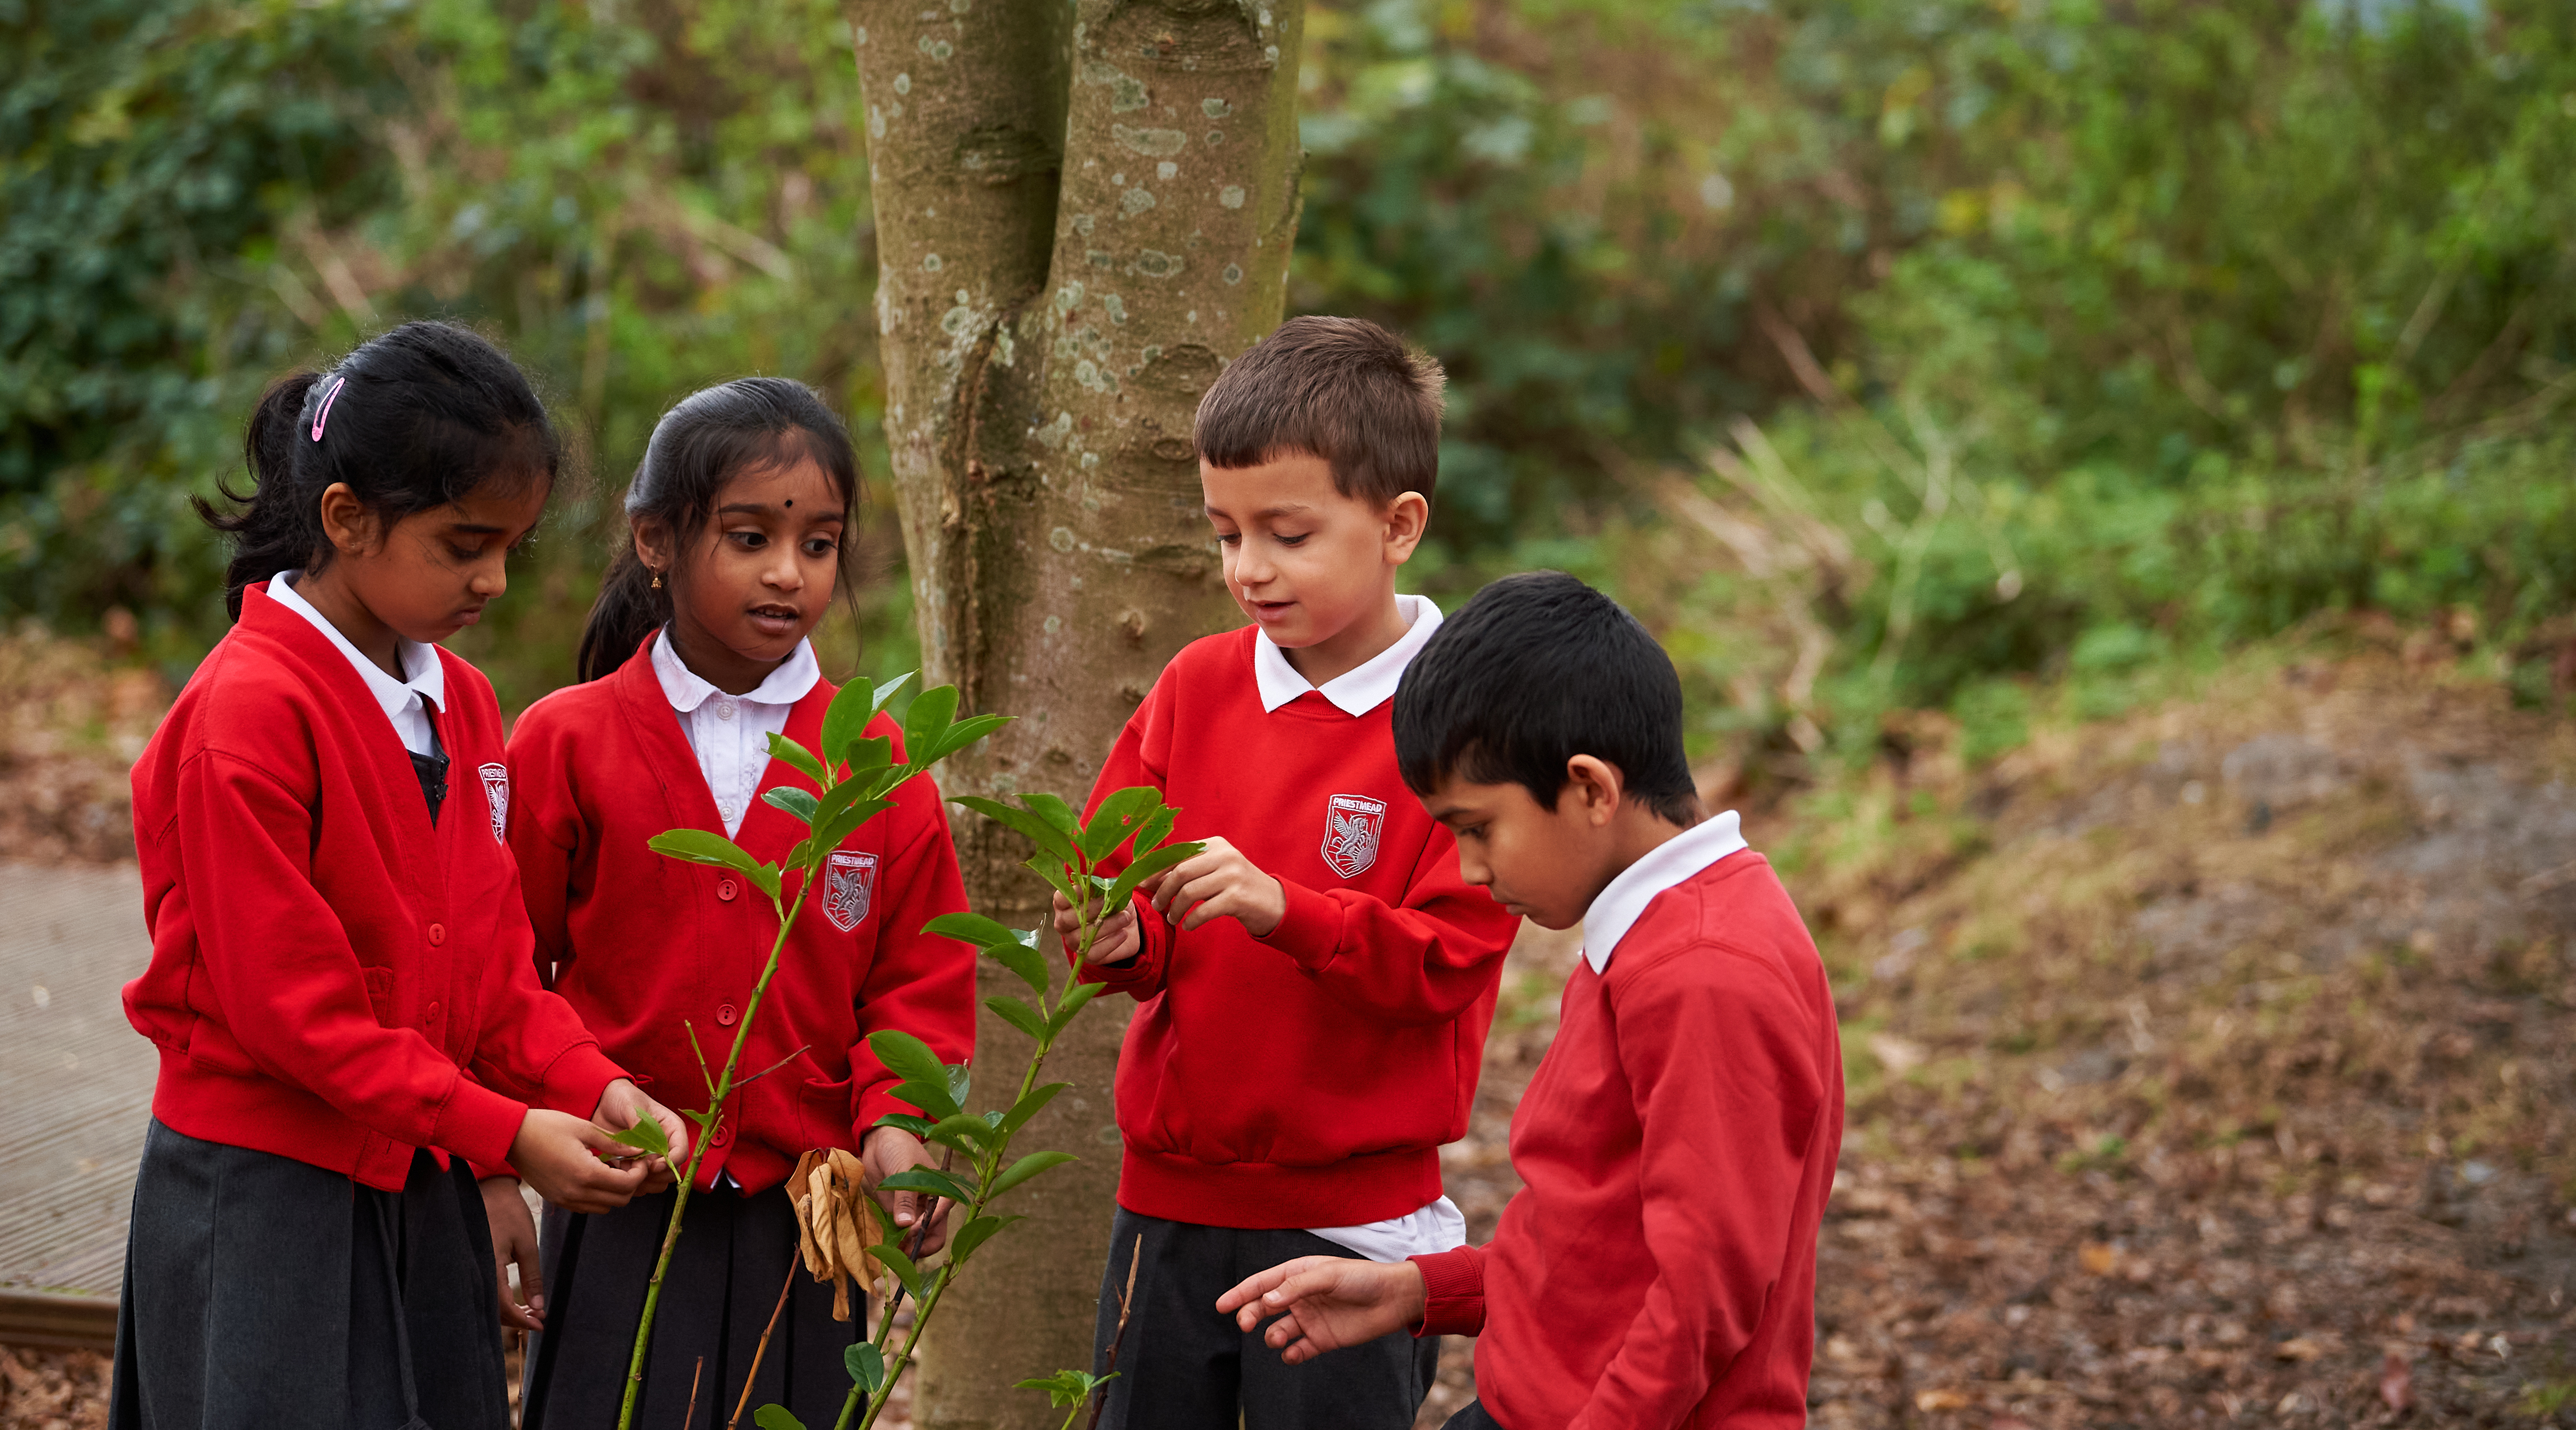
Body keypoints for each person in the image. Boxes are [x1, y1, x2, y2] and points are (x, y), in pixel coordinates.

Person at [113, 322, 690, 1430]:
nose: (496, 579)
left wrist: (589, 1085)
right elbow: (296, 1015)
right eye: (466, 544)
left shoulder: (463, 706)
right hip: (264, 1194)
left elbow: (493, 968)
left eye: (512, 545)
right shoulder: (247, 716)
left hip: (416, 1176)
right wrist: (505, 1134)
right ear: (346, 517)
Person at [1217, 571, 1847, 1430]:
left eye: (1477, 829)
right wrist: (1420, 1290)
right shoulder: (1658, 929)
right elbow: (1598, 1236)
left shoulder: (1704, 968)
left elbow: (1704, 1294)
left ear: (1589, 788)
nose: (1472, 871)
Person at [1050, 317, 1520, 1430]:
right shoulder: (1196, 686)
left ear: (1399, 524)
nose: (1249, 569)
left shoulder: (1460, 725)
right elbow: (1116, 887)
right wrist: (1117, 941)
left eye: (1289, 534)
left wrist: (1284, 910)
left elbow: (1448, 964)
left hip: (1352, 1226)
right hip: (1167, 1204)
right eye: (1226, 533)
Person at [502, 376, 975, 1430]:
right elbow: (503, 972)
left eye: (818, 545)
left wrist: (900, 1124)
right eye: (749, 536)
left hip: (804, 1219)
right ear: (657, 541)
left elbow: (919, 977)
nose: (787, 574)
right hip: (614, 1196)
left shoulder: (880, 759)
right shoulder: (563, 741)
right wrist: (506, 1149)